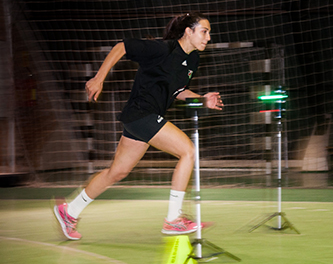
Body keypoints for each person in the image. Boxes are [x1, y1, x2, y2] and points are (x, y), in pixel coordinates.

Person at [53, 12, 223, 240]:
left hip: (140, 119)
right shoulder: (163, 49)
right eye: (204, 31)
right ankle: (173, 219)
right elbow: (121, 47)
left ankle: (69, 211)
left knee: (117, 172)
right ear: (188, 32)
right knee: (188, 151)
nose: (208, 37)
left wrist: (202, 99)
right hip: (142, 114)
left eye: (209, 32)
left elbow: (178, 91)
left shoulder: (192, 60)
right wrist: (99, 78)